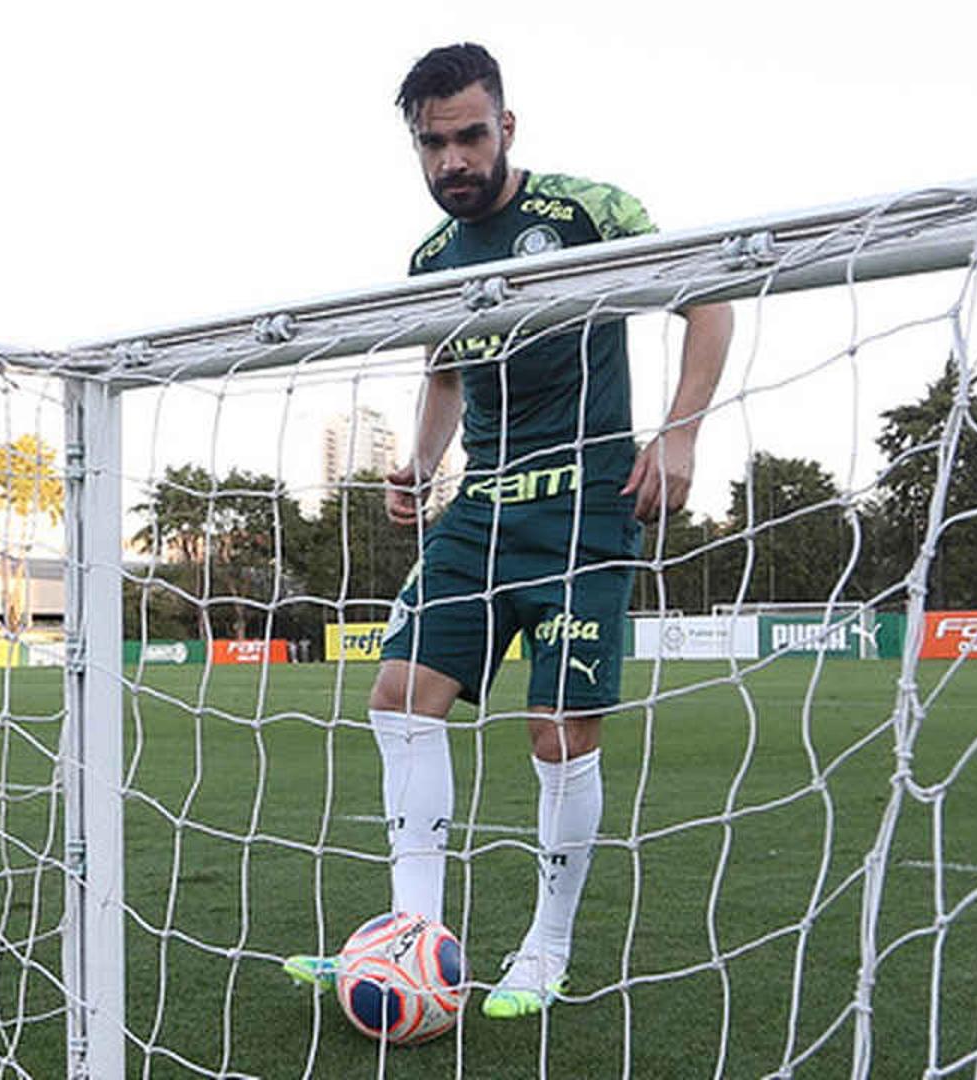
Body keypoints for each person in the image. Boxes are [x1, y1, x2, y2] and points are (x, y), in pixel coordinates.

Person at [286, 42, 733, 1020]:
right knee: (400, 695)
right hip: (483, 507)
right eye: (434, 144)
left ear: (507, 129)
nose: (454, 160)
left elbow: (707, 294)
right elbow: (445, 371)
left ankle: (548, 946)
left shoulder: (586, 211)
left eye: (470, 136)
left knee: (556, 733)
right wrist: (420, 458)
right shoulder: (432, 261)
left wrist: (682, 432)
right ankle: (414, 939)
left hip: (587, 505)